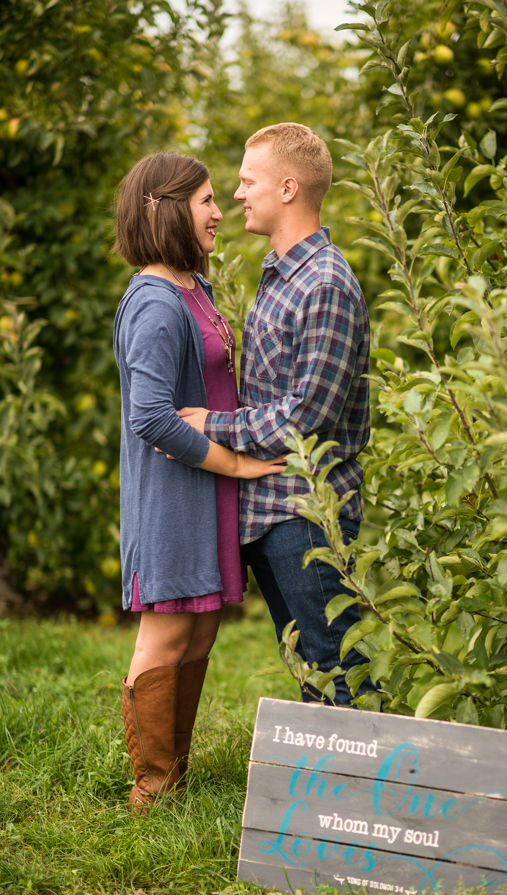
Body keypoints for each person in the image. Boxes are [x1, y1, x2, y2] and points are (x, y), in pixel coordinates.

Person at [177, 123, 375, 707]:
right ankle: (327, 795)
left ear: (288, 188)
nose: (237, 194)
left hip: (309, 511)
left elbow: (308, 412)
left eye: (247, 181)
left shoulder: (325, 282)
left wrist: (210, 425)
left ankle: (371, 794)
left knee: (341, 666)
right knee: (312, 667)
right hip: (272, 509)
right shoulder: (280, 275)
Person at [113, 152, 285, 812]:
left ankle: (173, 772)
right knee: (166, 632)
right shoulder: (156, 303)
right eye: (207, 200)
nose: (220, 212)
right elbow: (151, 416)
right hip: (175, 496)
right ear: (164, 207)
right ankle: (151, 789)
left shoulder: (194, 288)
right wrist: (237, 463)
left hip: (205, 491)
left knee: (202, 627)